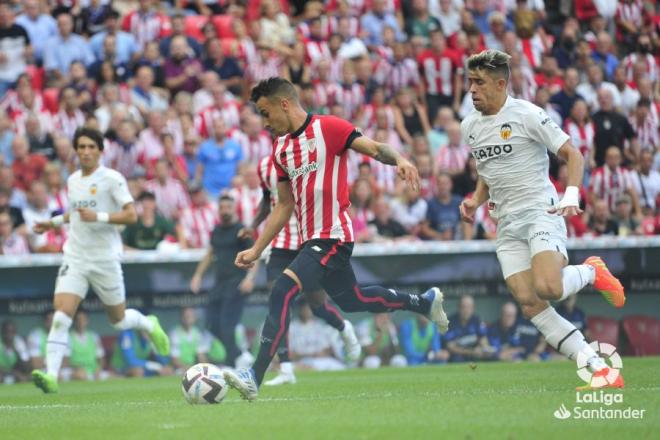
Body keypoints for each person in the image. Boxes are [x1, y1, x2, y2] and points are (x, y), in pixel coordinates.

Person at [223, 77, 448, 401]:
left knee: (282, 291)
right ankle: (423, 302)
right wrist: (257, 249)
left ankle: (254, 377)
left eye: (266, 112)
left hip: (334, 236)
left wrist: (400, 159)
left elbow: (373, 148)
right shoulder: (281, 149)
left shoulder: (328, 128)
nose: (266, 122)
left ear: (283, 103)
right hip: (310, 239)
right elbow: (284, 205)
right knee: (352, 299)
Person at [459, 50, 625, 390]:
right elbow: (487, 170)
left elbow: (572, 154)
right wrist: (476, 199)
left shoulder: (528, 115)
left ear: (501, 83)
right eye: (470, 82)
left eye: (479, 83)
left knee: (549, 287)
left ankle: (593, 269)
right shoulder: (470, 126)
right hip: (505, 222)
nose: (472, 90)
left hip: (540, 211)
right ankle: (600, 371)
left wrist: (571, 194)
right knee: (529, 302)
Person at [30, 127, 170, 393]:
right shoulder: (72, 180)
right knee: (61, 316)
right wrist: (53, 222)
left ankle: (147, 323)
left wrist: (100, 218)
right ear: (76, 150)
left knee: (118, 320)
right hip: (76, 256)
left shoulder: (113, 179)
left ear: (100, 151)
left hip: (104, 259)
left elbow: (131, 216)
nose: (85, 152)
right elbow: (77, 213)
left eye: (90, 147)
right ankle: (51, 376)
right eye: (81, 147)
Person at [238, 155, 361, 386]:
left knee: (317, 306)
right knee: (278, 304)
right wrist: (252, 226)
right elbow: (269, 200)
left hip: (308, 244)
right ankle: (286, 369)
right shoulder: (265, 165)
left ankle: (343, 327)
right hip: (280, 245)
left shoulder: (313, 160)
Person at [190, 194, 259, 368]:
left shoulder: (242, 230)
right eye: (222, 208)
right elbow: (210, 254)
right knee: (212, 324)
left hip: (237, 283)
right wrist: (198, 275)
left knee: (227, 326)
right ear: (218, 210)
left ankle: (233, 362)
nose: (225, 210)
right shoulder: (216, 231)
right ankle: (239, 356)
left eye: (228, 207)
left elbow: (255, 254)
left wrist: (250, 278)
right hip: (219, 283)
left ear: (234, 208)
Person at [67, 310, 105, 381]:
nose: (81, 322)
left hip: (94, 371)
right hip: (76, 371)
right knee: (80, 375)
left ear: (87, 321)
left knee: (117, 377)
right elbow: (65, 361)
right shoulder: (68, 337)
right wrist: (76, 368)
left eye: (83, 320)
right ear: (74, 321)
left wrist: (98, 369)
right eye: (78, 320)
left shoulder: (94, 336)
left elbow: (101, 358)